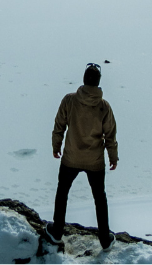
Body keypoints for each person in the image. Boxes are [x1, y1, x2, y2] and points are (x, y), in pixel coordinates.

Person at [47, 63, 117, 249]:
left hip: (71, 157)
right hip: (95, 161)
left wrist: (56, 146)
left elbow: (59, 125)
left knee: (62, 192)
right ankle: (104, 239)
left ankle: (56, 231)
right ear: (98, 82)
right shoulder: (103, 107)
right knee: (99, 199)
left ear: (84, 80)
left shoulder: (70, 101)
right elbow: (110, 134)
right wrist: (113, 156)